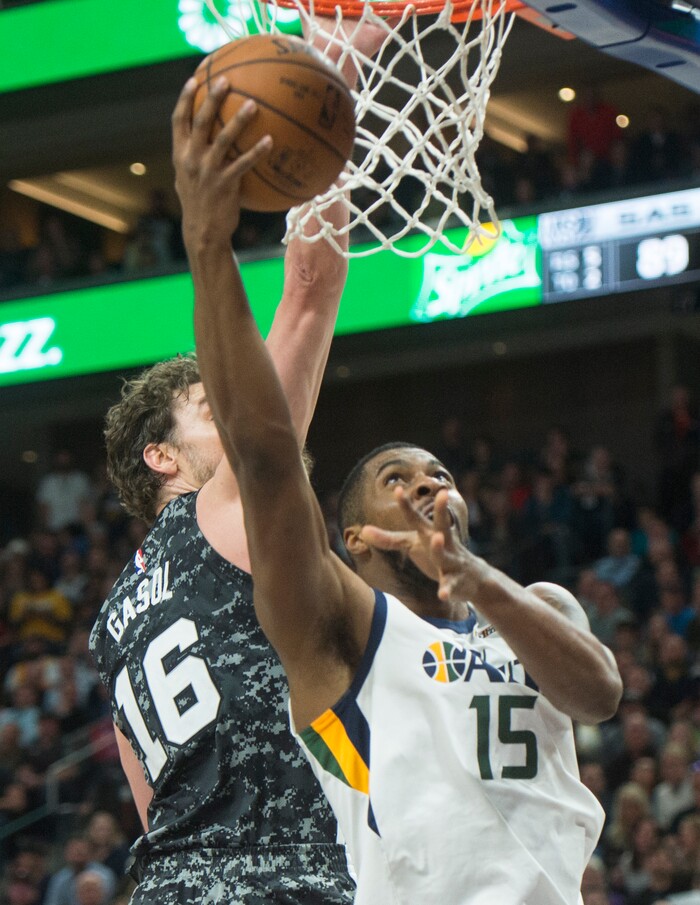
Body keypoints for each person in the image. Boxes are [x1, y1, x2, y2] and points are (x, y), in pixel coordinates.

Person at [189, 93, 623, 903]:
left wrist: (477, 578)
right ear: (355, 536)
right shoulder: (340, 631)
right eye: (398, 479)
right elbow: (266, 458)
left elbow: (598, 693)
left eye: (440, 475)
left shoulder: (537, 606)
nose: (428, 482)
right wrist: (209, 244)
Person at [88, 21, 388, 905]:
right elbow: (310, 294)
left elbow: (152, 810)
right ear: (162, 456)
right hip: (288, 875)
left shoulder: (111, 622)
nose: (241, 406)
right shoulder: (226, 509)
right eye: (212, 406)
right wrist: (338, 63)